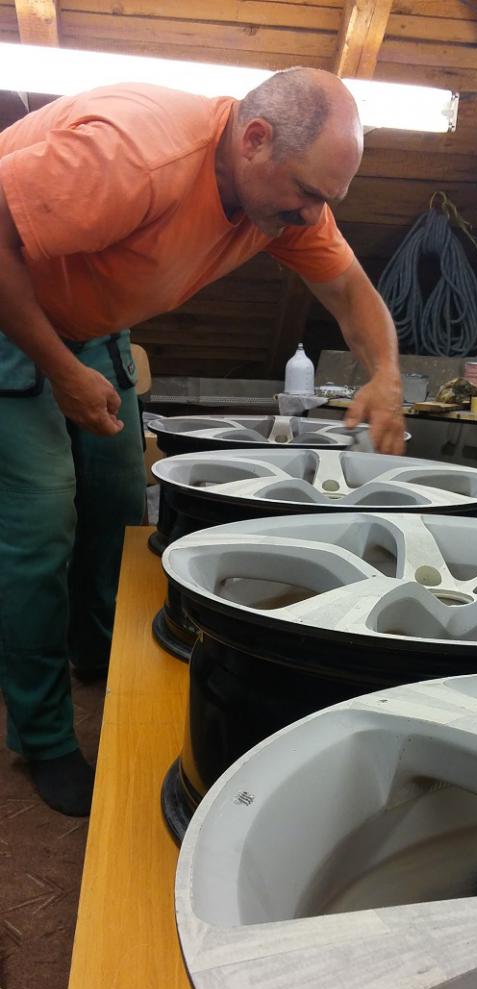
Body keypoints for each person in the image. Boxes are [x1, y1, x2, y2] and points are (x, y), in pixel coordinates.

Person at [0, 68, 405, 817]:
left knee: (118, 505)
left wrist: (385, 375)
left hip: (91, 325)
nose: (312, 215)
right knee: (41, 524)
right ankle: (44, 736)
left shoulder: (289, 203)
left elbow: (351, 292)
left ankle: (96, 655)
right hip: (9, 308)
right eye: (306, 193)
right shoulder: (134, 156)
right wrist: (57, 368)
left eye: (327, 199)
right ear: (254, 140)